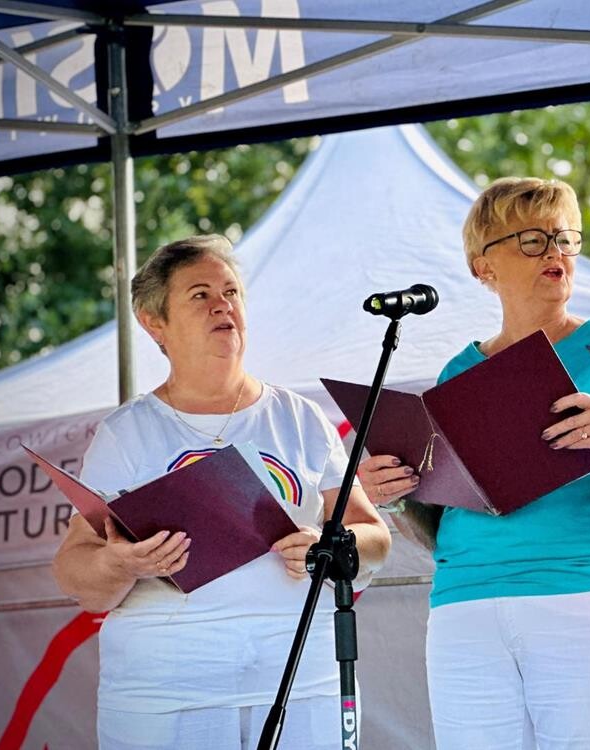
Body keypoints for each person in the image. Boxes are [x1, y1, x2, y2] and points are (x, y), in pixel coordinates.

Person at [359, 177, 590, 750]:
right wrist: (396, 495)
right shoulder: (456, 373)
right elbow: (439, 525)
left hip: (585, 597)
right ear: (483, 267)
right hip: (464, 605)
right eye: (532, 240)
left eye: (564, 237)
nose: (555, 251)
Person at [52, 235, 391, 750]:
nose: (222, 305)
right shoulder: (127, 432)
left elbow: (375, 537)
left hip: (302, 683)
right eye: (200, 294)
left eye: (231, 292)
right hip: (165, 696)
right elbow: (75, 571)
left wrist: (329, 543)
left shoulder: (300, 418)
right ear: (154, 322)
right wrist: (121, 563)